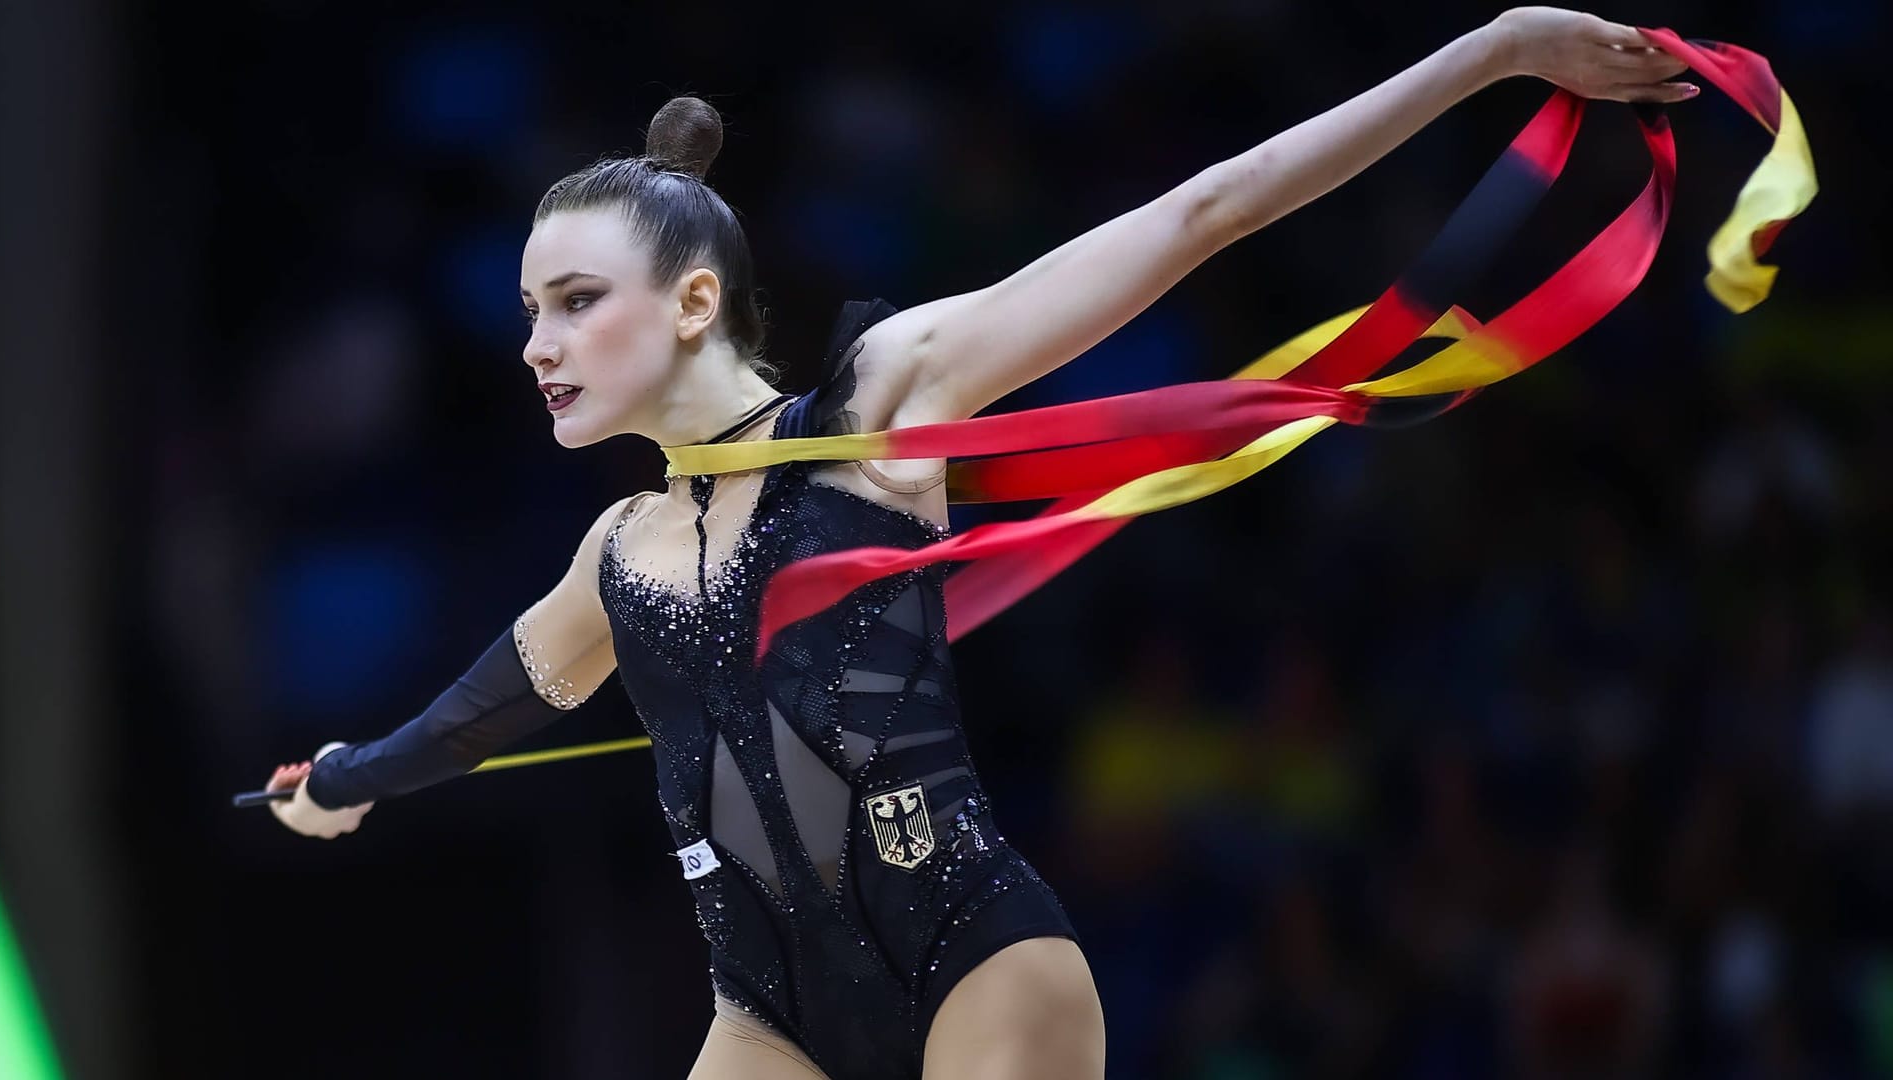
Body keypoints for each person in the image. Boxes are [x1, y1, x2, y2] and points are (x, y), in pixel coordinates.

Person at [261, 9, 1694, 1077]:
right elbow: (474, 717)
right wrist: (343, 781)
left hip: (975, 962)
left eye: (576, 302)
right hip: (767, 1024)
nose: (536, 345)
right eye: (529, 311)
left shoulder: (884, 400)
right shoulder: (616, 555)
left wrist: (1496, 53)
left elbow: (1206, 211)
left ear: (694, 301)